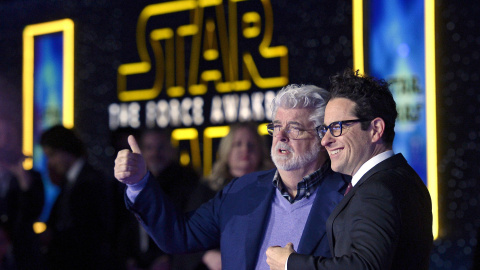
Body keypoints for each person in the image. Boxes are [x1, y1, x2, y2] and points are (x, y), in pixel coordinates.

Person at [114, 84, 350, 269]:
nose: (281, 137)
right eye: (277, 127)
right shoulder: (241, 189)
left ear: (322, 137)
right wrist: (139, 183)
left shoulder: (349, 196)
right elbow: (179, 235)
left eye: (295, 128)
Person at [266, 69, 433, 270]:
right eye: (325, 129)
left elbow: (364, 266)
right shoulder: (401, 178)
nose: (326, 140)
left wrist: (289, 263)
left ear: (376, 129)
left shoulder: (377, 190)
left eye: (337, 127)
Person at [172, 122, 275, 270]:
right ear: (227, 150)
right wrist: (206, 255)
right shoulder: (206, 190)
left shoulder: (273, 189)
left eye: (251, 145)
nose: (245, 149)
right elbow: (186, 235)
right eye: (237, 144)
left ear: (261, 151)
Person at [116, 128, 200, 270]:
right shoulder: (128, 182)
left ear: (171, 149)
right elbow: (123, 227)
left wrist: (170, 259)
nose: (155, 153)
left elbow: (191, 226)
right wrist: (128, 259)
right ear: (141, 150)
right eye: (149, 148)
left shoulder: (188, 182)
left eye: (160, 147)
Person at [40, 125, 116, 269]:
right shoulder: (70, 181)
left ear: (65, 149)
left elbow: (91, 233)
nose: (51, 162)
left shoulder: (91, 181)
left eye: (51, 155)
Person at [0, 117, 45, 269]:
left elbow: (34, 212)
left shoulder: (32, 177)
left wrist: (23, 180)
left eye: (8, 135)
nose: (3, 141)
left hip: (22, 252)